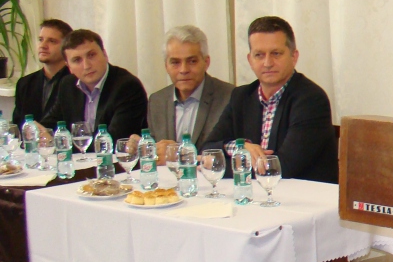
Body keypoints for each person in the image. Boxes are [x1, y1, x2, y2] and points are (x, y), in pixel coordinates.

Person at [205, 16, 337, 184]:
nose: (267, 63)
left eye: (276, 54)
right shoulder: (241, 96)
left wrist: (219, 164)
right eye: (259, 55)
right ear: (250, 60)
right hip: (253, 193)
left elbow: (283, 167)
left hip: (301, 195)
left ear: (294, 56)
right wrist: (240, 147)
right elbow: (207, 148)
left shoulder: (311, 100)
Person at [40, 29, 148, 141]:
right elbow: (50, 125)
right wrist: (39, 131)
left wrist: (63, 142)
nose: (87, 66)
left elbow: (114, 140)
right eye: (77, 60)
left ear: (105, 54)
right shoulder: (68, 84)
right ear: (69, 67)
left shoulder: (128, 87)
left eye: (91, 55)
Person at [147, 25, 233, 157]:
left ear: (206, 62)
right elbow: (154, 153)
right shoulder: (157, 101)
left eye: (192, 61)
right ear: (166, 66)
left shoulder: (230, 97)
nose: (183, 70)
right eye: (175, 62)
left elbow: (230, 152)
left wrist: (178, 154)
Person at [13, 18, 72, 127]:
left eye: (52, 41)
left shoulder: (76, 81)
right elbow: (17, 126)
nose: (43, 45)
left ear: (66, 47)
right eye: (40, 39)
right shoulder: (25, 83)